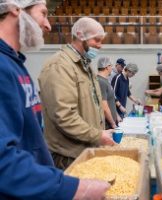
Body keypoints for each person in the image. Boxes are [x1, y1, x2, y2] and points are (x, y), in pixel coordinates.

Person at [0, 1, 110, 199]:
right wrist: (69, 187)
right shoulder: (58, 67)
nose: (49, 25)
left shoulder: (15, 63)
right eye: (43, 13)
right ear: (15, 9)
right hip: (60, 162)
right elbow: (64, 116)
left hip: (43, 176)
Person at [38, 17, 115, 170]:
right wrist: (97, 135)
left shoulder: (85, 66)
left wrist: (100, 132)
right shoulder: (60, 66)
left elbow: (90, 107)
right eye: (96, 40)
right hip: (68, 157)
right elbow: (64, 116)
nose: (100, 46)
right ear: (80, 35)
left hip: (85, 150)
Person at [97, 57, 121, 129]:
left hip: (111, 123)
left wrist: (116, 116)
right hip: (107, 125)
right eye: (111, 66)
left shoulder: (105, 81)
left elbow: (111, 102)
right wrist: (112, 123)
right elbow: (104, 106)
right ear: (107, 67)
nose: (112, 68)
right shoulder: (101, 81)